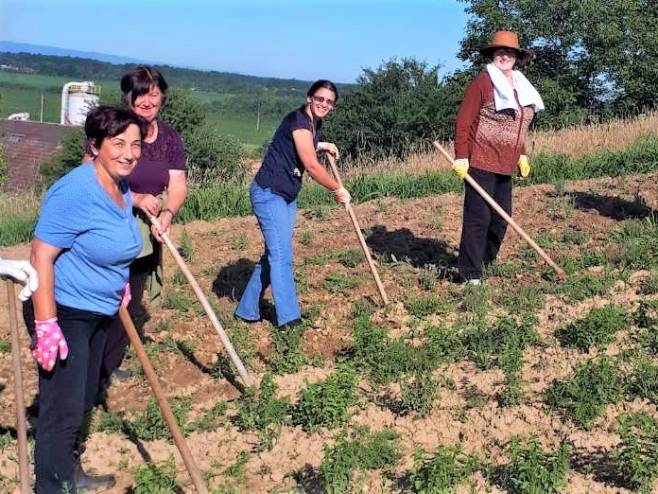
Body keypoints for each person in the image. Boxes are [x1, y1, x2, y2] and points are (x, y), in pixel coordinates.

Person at [29, 106, 145, 493]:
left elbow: (113, 244)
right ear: (95, 145)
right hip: (66, 312)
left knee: (81, 402)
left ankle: (69, 472)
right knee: (62, 409)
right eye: (118, 143)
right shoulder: (75, 191)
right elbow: (42, 254)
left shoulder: (121, 186)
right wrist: (46, 324)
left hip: (100, 310)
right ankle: (50, 485)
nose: (129, 152)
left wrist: (119, 282)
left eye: (136, 144)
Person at [235, 80, 350, 328]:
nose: (324, 104)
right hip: (269, 193)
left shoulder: (311, 123)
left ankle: (246, 309)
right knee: (282, 255)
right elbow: (310, 164)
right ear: (310, 97)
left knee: (273, 254)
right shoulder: (298, 120)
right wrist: (336, 188)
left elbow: (304, 145)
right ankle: (289, 318)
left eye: (329, 102)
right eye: (320, 99)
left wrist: (324, 145)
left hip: (287, 196)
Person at [100, 66, 188, 382]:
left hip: (148, 229)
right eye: (139, 95)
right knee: (105, 294)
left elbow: (177, 184)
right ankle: (89, 365)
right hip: (112, 221)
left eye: (153, 93)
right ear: (128, 97)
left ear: (162, 95)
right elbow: (93, 178)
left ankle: (108, 365)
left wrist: (167, 214)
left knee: (132, 295)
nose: (147, 101)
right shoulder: (114, 130)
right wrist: (135, 198)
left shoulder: (169, 138)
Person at [453, 31, 544, 284]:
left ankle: (484, 264)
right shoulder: (483, 82)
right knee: (478, 219)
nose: (504, 56)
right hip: (480, 160)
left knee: (501, 220)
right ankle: (470, 274)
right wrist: (461, 157)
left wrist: (522, 155)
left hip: (506, 164)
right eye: (499, 52)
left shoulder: (521, 86)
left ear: (517, 58)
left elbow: (518, 126)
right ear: (493, 55)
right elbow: (463, 122)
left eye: (509, 52)